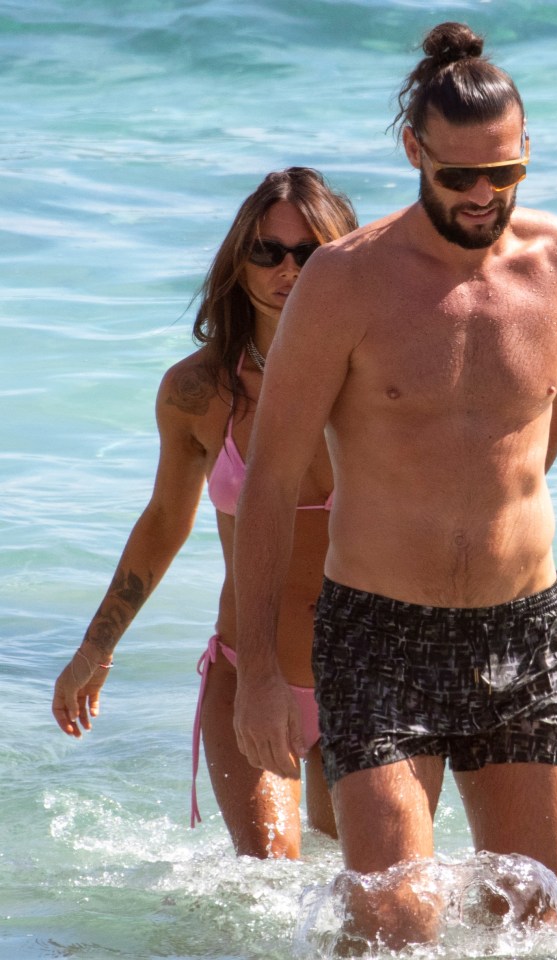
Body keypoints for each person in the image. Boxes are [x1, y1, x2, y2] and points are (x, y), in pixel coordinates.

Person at [233, 21, 557, 947]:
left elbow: (532, 445)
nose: (483, 197)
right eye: (458, 177)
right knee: (397, 920)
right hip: (379, 633)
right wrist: (258, 675)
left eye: (506, 174)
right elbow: (272, 479)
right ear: (414, 150)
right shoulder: (341, 282)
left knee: (529, 918)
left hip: (523, 630)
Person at [51, 168, 358, 859]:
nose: (288, 269)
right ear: (237, 261)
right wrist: (96, 648)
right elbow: (164, 520)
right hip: (249, 672)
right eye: (267, 251)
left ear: (342, 258)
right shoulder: (197, 391)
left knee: (368, 895)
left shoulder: (375, 381)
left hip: (366, 676)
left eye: (309, 253)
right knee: (266, 894)